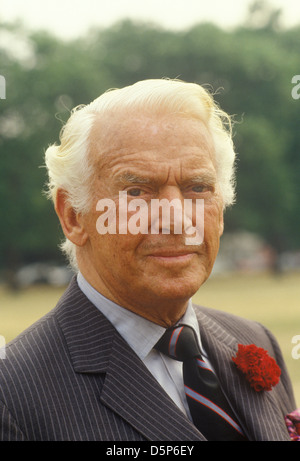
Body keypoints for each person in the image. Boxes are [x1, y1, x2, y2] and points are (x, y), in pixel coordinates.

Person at [0, 79, 296, 441]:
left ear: (220, 211)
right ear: (73, 216)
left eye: (198, 188)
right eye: (137, 191)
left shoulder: (255, 341)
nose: (176, 218)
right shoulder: (12, 395)